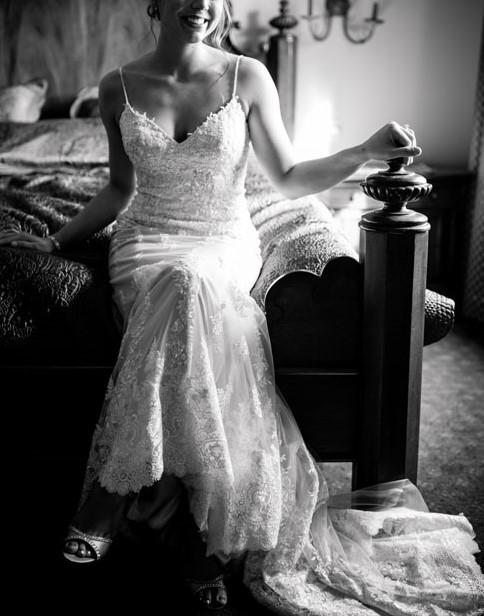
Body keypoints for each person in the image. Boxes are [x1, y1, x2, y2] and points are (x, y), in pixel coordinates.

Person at [1, 1, 483, 613]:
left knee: (193, 283)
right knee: (180, 283)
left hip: (224, 243)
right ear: (155, 3)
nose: (200, 4)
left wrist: (362, 148)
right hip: (144, 242)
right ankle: (205, 542)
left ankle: (109, 500)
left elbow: (286, 175)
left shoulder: (247, 75)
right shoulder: (115, 86)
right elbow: (121, 188)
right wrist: (54, 240)